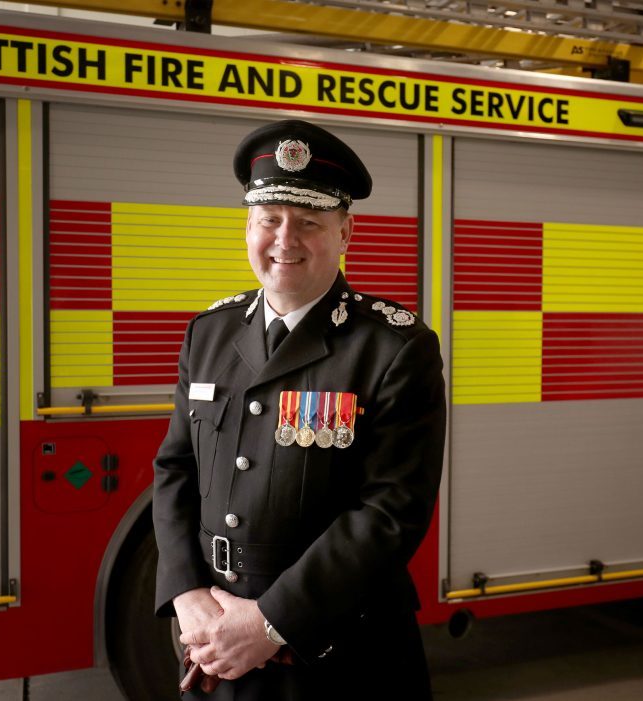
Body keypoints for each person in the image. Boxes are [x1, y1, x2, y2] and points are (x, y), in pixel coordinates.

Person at [152, 119, 446, 700]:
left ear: (346, 233)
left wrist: (267, 623)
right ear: (249, 228)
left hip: (341, 656)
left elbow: (390, 512)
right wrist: (186, 594)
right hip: (214, 648)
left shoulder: (394, 347)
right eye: (269, 219)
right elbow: (175, 470)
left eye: (309, 222)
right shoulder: (208, 334)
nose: (285, 239)